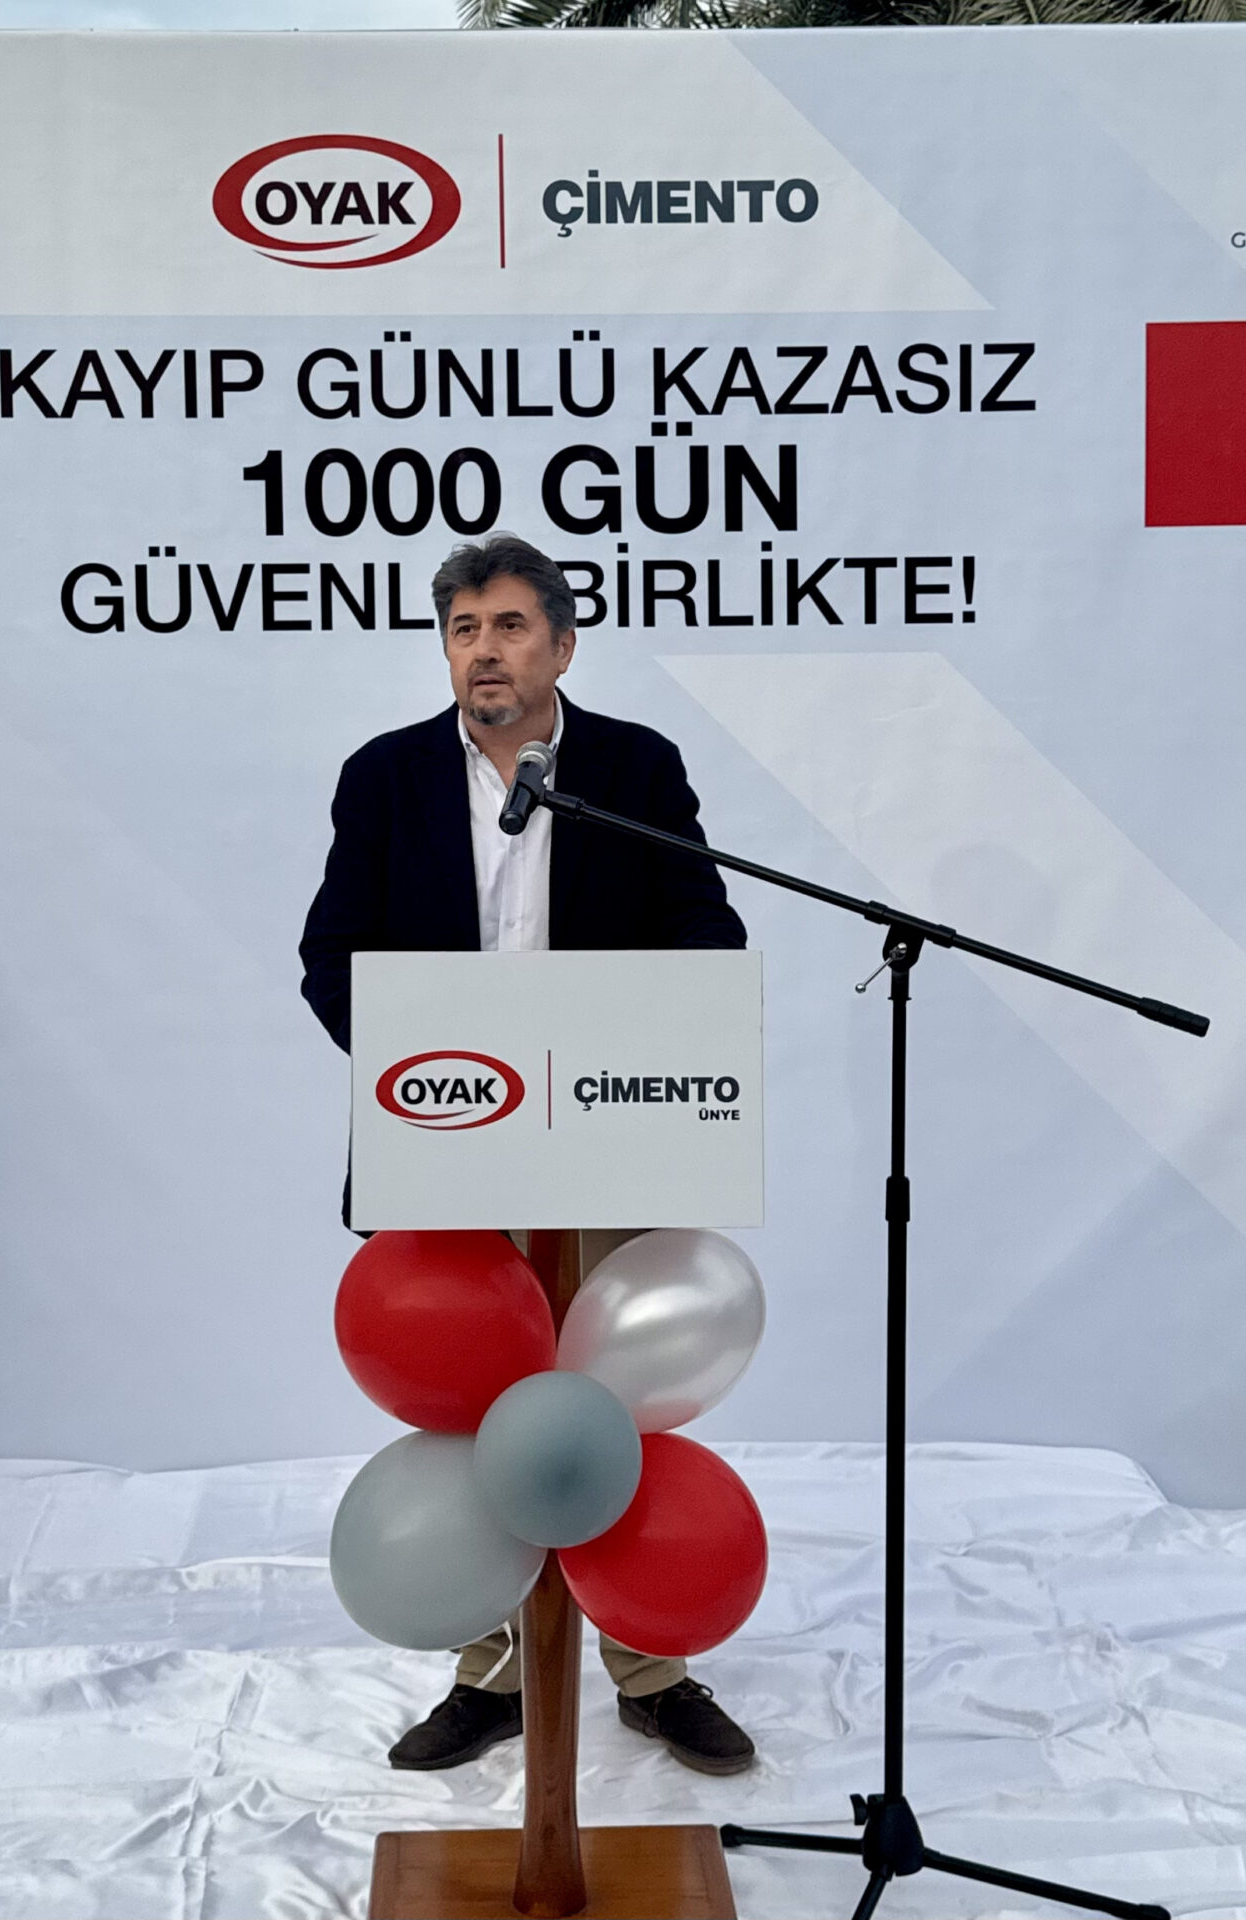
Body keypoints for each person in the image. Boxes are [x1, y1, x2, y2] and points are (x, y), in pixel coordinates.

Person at [299, 532, 755, 1777]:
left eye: (508, 626)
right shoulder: (385, 777)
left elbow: (701, 923)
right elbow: (331, 954)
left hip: (602, 1132)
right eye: (463, 630)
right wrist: (417, 1066)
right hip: (450, 1138)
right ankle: (489, 1669)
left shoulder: (634, 767)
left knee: (606, 1400)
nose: (483, 650)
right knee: (479, 1403)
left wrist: (643, 1029)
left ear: (561, 645)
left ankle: (650, 1666)